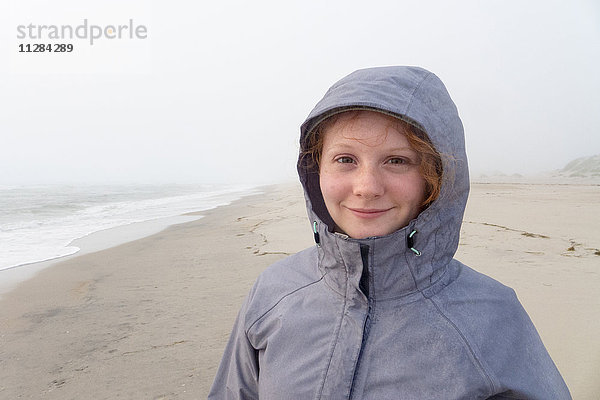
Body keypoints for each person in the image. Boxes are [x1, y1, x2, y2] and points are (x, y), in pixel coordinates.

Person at [208, 66, 571, 399]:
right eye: (345, 159)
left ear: (436, 178)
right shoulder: (274, 291)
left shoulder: (492, 315)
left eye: (397, 161)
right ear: (315, 169)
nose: (367, 187)